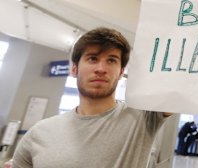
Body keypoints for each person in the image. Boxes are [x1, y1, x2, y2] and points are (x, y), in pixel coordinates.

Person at [12, 27, 172, 168]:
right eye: (92, 59)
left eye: (111, 60)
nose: (101, 69)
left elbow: (182, 85)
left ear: (121, 72)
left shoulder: (143, 117)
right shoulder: (38, 134)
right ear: (74, 69)